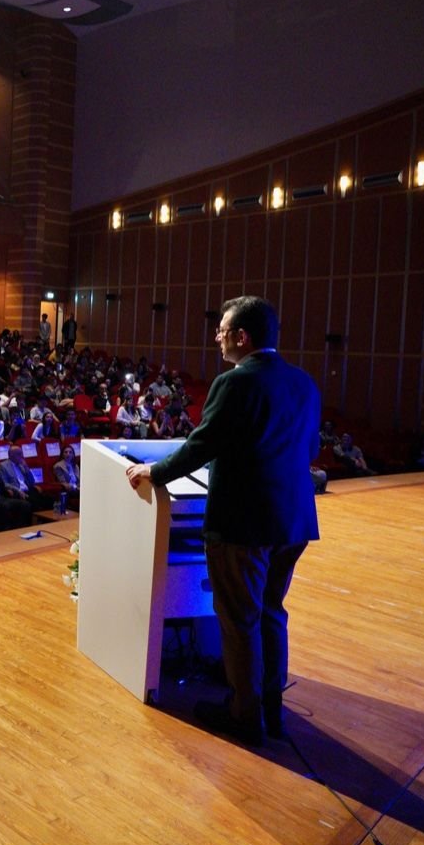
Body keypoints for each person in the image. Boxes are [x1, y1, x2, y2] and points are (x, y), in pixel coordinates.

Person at [124, 296, 320, 747]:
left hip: (243, 524)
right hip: (292, 522)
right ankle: (272, 709)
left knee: (240, 620)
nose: (216, 336)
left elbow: (202, 445)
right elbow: (308, 451)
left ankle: (244, 716)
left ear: (241, 337)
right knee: (272, 613)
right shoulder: (303, 383)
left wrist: (154, 471)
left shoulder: (235, 383)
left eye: (222, 329)